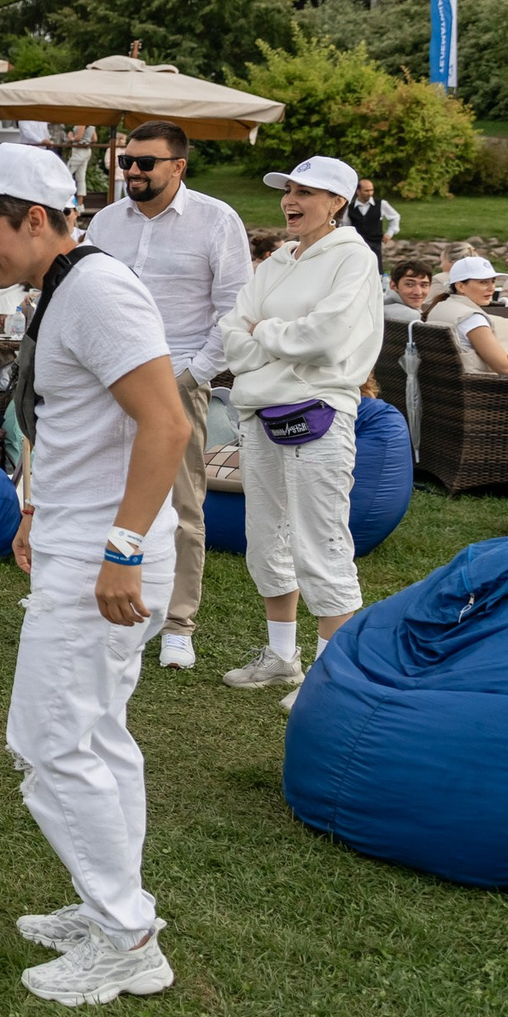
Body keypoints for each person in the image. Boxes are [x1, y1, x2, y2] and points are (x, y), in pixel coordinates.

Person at [0, 143, 191, 1006]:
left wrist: (119, 549)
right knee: (97, 737)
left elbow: (168, 425)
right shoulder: (67, 288)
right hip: (81, 540)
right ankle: (109, 905)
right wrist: (39, 511)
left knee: (50, 741)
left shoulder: (99, 291)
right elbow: (75, 421)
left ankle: (126, 940)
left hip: (105, 557)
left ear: (34, 219)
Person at [213, 156, 384, 704]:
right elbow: (232, 334)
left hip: (321, 413)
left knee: (321, 542)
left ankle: (330, 678)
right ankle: (282, 658)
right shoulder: (277, 260)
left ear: (337, 202)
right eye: (288, 190)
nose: (291, 200)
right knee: (265, 539)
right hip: (259, 412)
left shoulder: (353, 257)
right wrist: (276, 341)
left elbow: (329, 338)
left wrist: (265, 335)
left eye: (306, 192)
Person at [83, 120, 251, 670]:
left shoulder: (216, 220)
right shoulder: (106, 221)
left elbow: (235, 308)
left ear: (178, 166)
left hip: (177, 375)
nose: (131, 170)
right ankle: (97, 596)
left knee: (183, 504)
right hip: (107, 376)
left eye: (145, 162)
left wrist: (197, 373)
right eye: (127, 161)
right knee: (102, 488)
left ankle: (178, 622)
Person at [345, 177, 398, 263]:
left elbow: (394, 217)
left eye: (371, 190)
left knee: (376, 267)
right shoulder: (350, 208)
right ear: (358, 191)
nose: (370, 193)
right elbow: (345, 224)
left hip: (375, 244)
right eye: (366, 191)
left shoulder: (381, 204)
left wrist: (389, 233)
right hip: (358, 244)